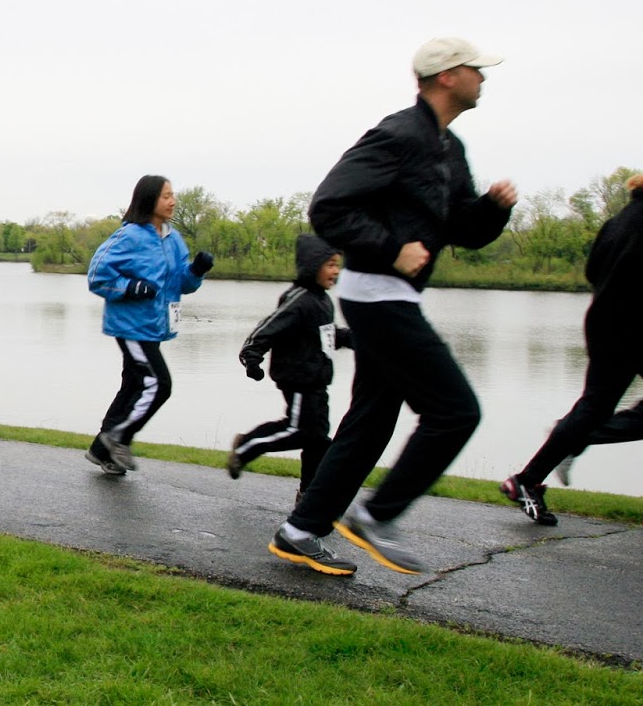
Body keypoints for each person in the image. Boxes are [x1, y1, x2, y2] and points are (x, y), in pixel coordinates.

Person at [268, 37, 518, 577]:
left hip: (392, 295)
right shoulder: (399, 134)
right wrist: (389, 248)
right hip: (375, 293)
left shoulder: (448, 149)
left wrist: (493, 211)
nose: (485, 77)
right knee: (455, 411)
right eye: (477, 69)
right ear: (447, 76)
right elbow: (328, 206)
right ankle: (375, 517)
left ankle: (300, 530)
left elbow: (460, 230)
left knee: (369, 421)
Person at [501, 173, 643, 525]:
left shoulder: (617, 221)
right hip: (633, 326)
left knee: (593, 408)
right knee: (594, 409)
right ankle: (565, 441)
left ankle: (533, 473)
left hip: (605, 322)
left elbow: (593, 271)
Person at [85, 175, 212, 475]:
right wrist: (131, 287)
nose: (173, 201)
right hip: (130, 325)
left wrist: (196, 270)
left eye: (173, 195)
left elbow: (182, 284)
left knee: (133, 386)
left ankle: (102, 450)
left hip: (155, 325)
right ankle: (118, 438)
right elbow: (96, 276)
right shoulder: (129, 236)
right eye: (166, 195)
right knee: (159, 384)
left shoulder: (173, 237)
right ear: (149, 199)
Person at [230, 234, 352, 499]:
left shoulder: (322, 299)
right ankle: (246, 446)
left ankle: (308, 494)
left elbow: (325, 335)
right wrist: (252, 356)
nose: (336, 271)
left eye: (337, 264)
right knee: (299, 431)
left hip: (318, 379)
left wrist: (353, 339)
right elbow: (267, 328)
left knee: (318, 438)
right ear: (312, 265)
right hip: (298, 378)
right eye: (330, 264)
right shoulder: (299, 299)